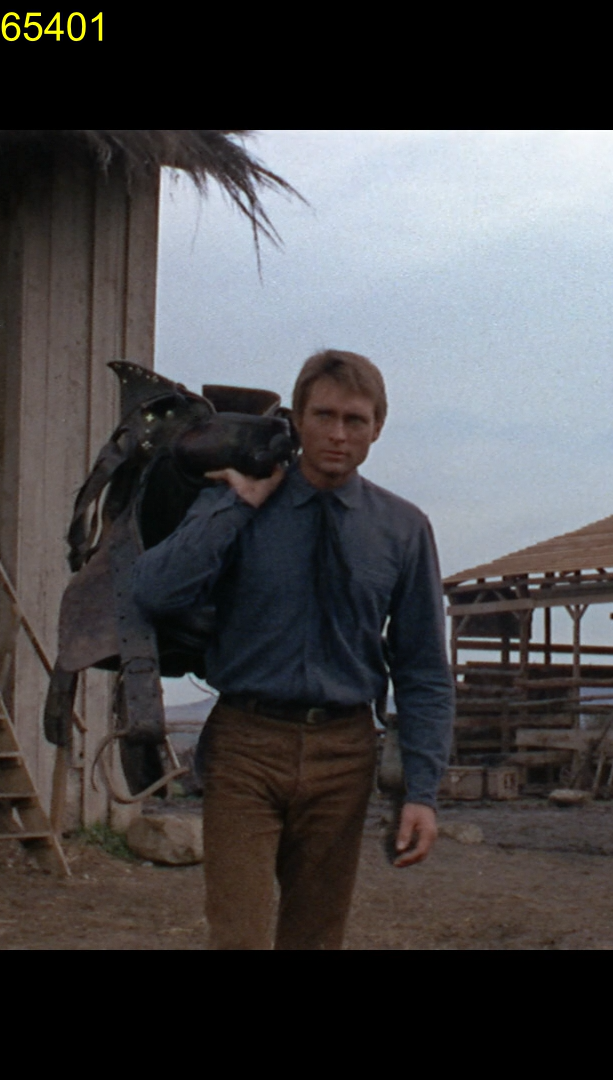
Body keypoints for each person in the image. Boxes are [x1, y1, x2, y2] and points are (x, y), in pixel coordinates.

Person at [130, 349, 454, 949]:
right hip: (246, 745)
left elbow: (424, 669)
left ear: (377, 428)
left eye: (355, 420)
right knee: (239, 938)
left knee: (316, 937)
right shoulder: (238, 497)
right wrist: (237, 506)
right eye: (324, 415)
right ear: (298, 420)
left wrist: (422, 792)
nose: (338, 434)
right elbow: (153, 591)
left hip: (344, 752)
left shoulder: (403, 528)